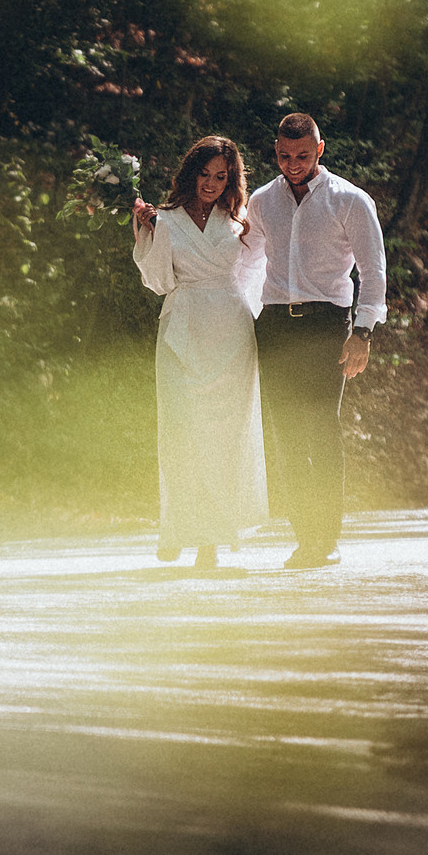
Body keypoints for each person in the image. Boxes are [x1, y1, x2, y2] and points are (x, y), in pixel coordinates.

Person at [243, 113, 386, 570]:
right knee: (286, 434)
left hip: (327, 323)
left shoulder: (350, 200)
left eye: (302, 155)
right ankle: (305, 538)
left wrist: (362, 331)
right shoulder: (263, 201)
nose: (293, 164)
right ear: (275, 151)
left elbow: (374, 269)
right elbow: (243, 262)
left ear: (319, 150)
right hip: (275, 324)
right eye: (285, 156)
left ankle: (327, 538)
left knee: (321, 429)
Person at [131, 137, 269, 569]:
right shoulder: (166, 218)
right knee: (180, 433)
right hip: (183, 325)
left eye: (221, 176)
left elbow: (257, 276)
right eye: (205, 174)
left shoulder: (239, 221)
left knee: (223, 437)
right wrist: (149, 233)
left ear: (232, 179)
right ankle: (176, 527)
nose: (211, 183)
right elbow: (156, 282)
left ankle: (211, 540)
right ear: (191, 172)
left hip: (230, 331)